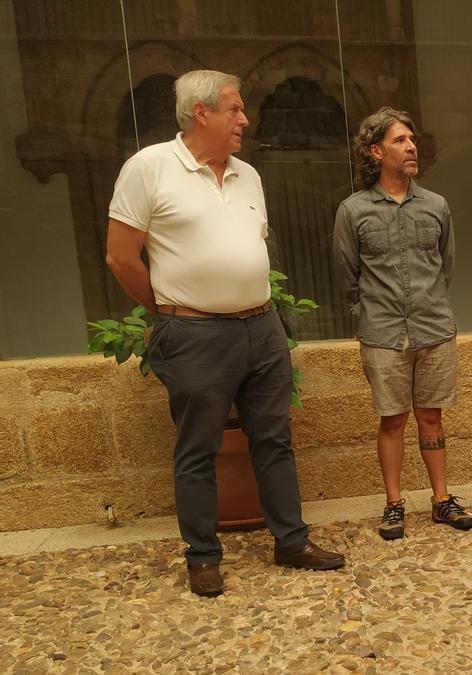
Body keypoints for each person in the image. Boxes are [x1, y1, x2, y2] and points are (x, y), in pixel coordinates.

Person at [106, 69, 344, 597]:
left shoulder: (248, 175)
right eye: (235, 109)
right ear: (202, 113)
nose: (245, 119)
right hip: (194, 335)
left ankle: (291, 541)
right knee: (198, 448)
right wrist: (168, 310)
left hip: (261, 327)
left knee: (275, 441)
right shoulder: (149, 168)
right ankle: (203, 556)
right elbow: (120, 258)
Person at [334, 108, 472, 539]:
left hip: (434, 329)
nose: (411, 146)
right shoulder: (353, 211)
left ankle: (441, 500)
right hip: (382, 334)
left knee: (431, 416)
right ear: (376, 151)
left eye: (412, 139)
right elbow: (347, 275)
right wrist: (374, 315)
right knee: (392, 419)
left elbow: (445, 269)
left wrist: (428, 305)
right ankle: (394, 504)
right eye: (400, 140)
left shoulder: (436, 206)